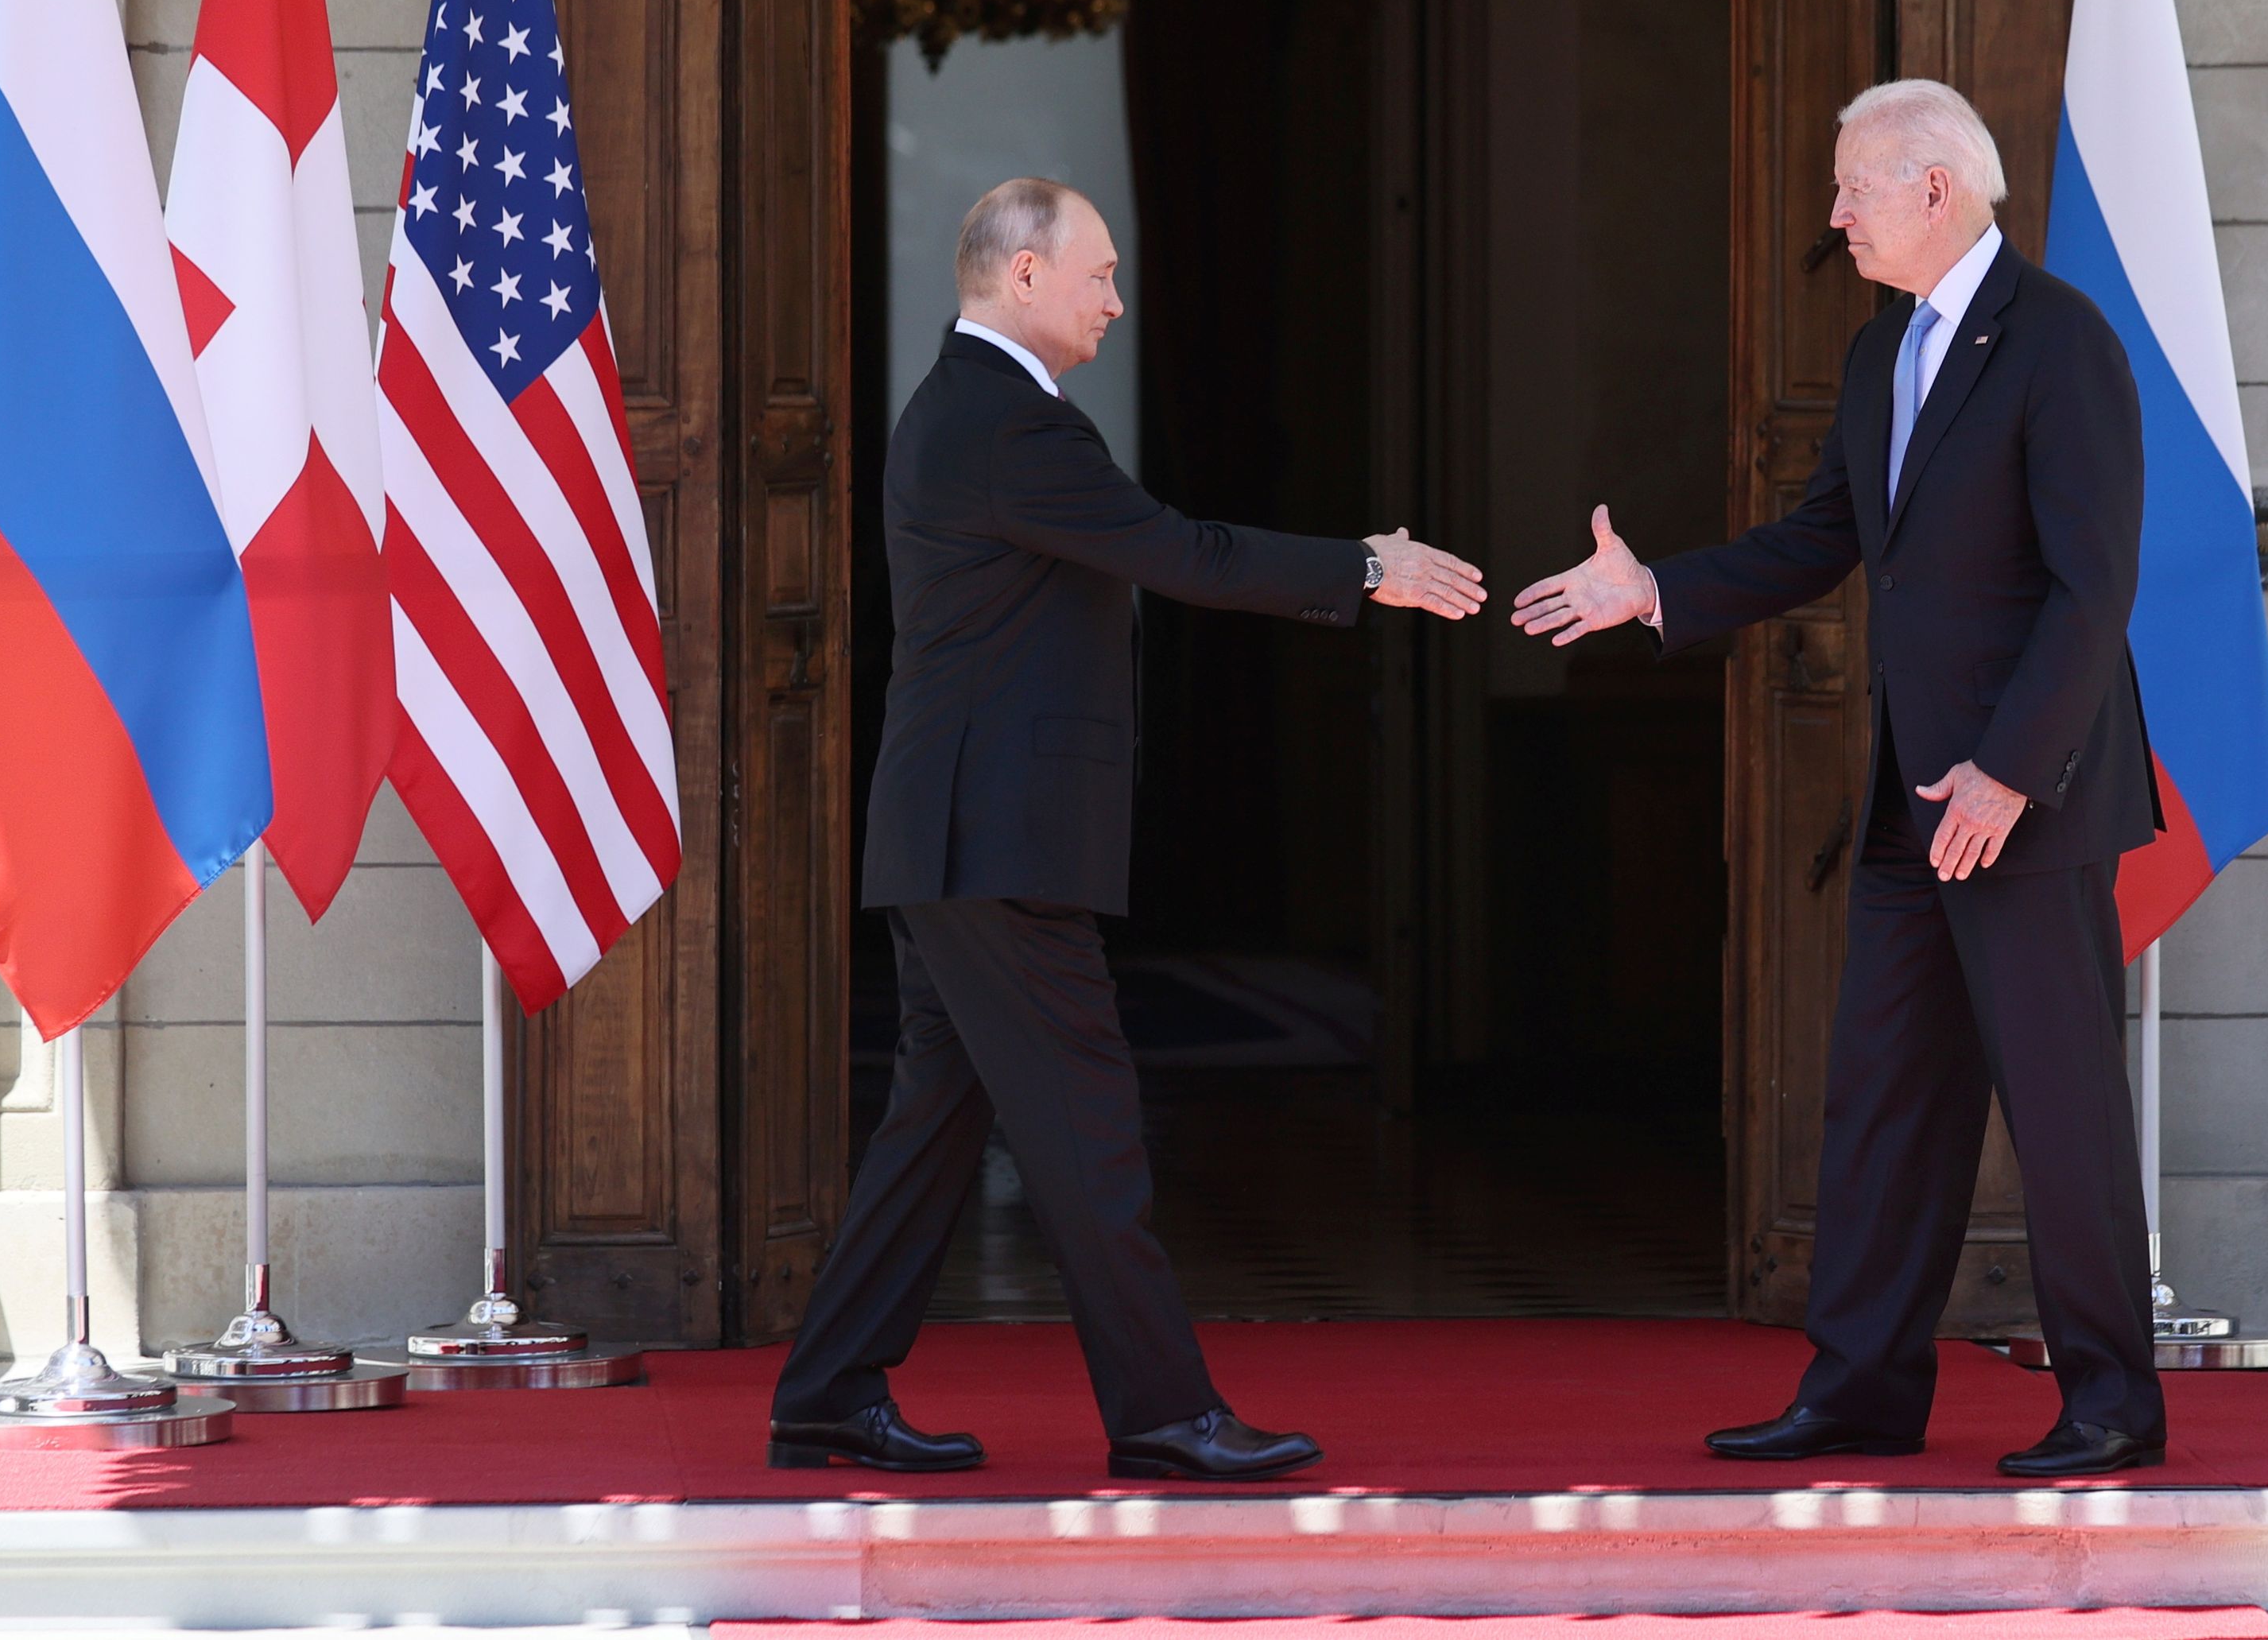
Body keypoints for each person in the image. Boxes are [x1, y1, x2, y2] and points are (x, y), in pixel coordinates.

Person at [770, 176, 1485, 1482]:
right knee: (1092, 1128)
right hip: (995, 844)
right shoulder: (1004, 422)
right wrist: (1366, 568)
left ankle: (827, 1392)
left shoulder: (983, 410)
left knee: (936, 1127)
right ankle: (1163, 1412)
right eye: (1097, 271)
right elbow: (1183, 552)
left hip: (963, 839)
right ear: (1023, 274)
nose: (1115, 296)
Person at [1512, 79, 2165, 1479]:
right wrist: (1655, 596)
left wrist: (2009, 772)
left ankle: (2113, 1404)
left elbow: (2093, 586)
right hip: (1908, 804)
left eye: (1852, 188)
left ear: (1936, 188)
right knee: (1883, 1105)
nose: (1834, 213)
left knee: (2063, 1113)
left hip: (2022, 804)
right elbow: (1818, 542)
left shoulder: (2062, 341)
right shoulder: (1882, 357)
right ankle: (1862, 1388)